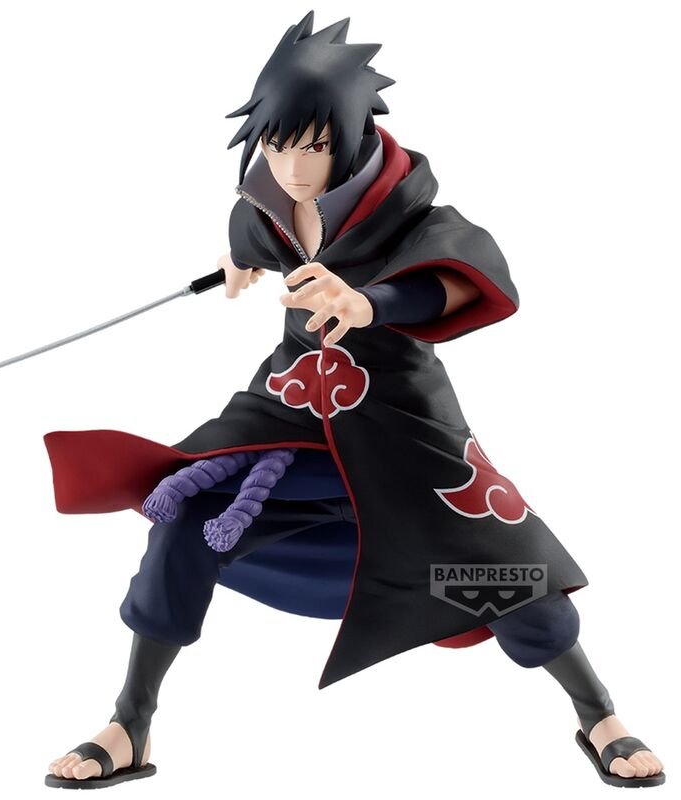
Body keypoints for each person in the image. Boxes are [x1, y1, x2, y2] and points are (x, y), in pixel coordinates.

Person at [44, 10, 665, 790]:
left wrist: (370, 303)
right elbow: (253, 232)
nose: (292, 168)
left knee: (503, 570)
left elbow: (452, 275)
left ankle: (598, 713)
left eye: (311, 147)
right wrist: (238, 264)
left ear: (350, 134)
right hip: (292, 411)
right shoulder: (268, 202)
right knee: (189, 522)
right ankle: (130, 722)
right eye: (276, 146)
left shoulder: (409, 215)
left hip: (400, 424)